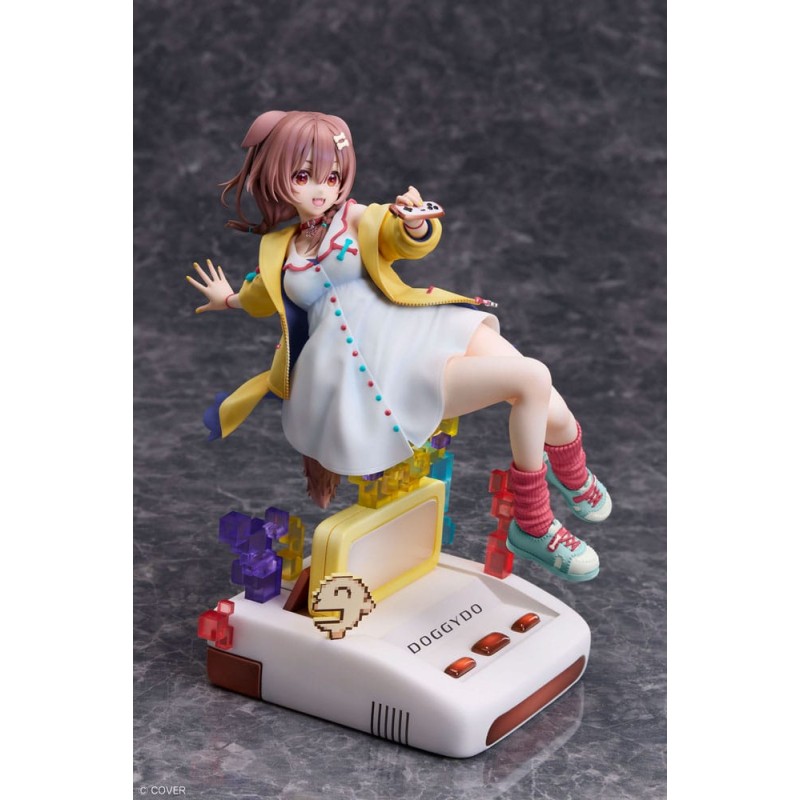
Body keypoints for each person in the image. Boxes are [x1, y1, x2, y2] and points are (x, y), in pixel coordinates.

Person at [187, 110, 611, 582]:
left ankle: (572, 473)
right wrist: (228, 298)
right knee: (532, 378)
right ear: (276, 176)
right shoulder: (280, 249)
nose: (320, 189)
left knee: (547, 401)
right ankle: (533, 522)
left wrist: (413, 225)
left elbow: (401, 238)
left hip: (422, 328)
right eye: (303, 177)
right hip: (378, 372)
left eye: (332, 176)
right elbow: (261, 294)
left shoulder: (356, 219)